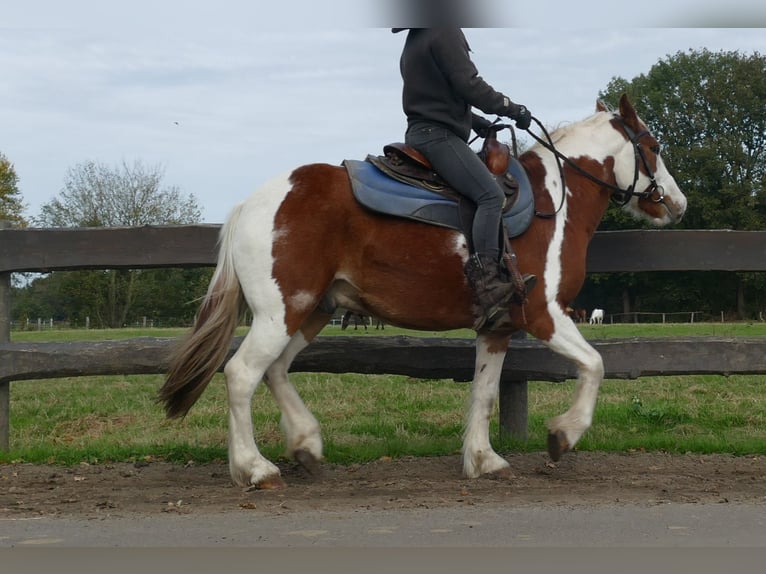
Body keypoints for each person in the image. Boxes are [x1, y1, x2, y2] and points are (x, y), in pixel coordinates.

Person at [393, 28, 536, 329]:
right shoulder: (443, 31)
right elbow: (468, 84)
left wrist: (477, 123)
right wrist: (512, 108)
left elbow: (439, 94)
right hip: (438, 136)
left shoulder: (418, 37)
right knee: (490, 196)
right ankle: (488, 287)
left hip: (424, 131)